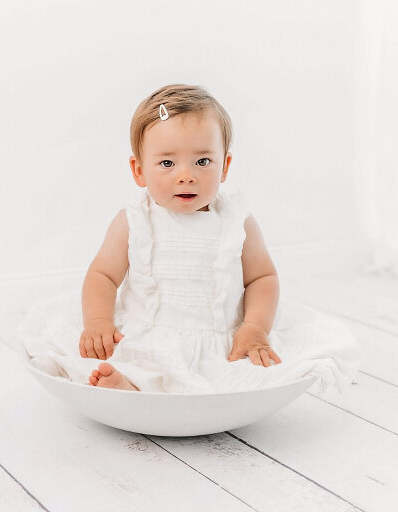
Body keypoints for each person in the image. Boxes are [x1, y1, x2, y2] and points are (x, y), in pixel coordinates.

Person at [26, 84, 360, 394]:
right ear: (139, 170)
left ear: (224, 166)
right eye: (167, 163)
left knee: (244, 374)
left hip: (221, 341)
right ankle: (129, 385)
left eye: (203, 161)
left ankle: (177, 391)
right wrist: (98, 321)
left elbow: (262, 277)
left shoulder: (236, 221)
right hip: (147, 333)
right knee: (134, 359)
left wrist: (255, 327)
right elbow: (103, 274)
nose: (186, 175)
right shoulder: (134, 220)